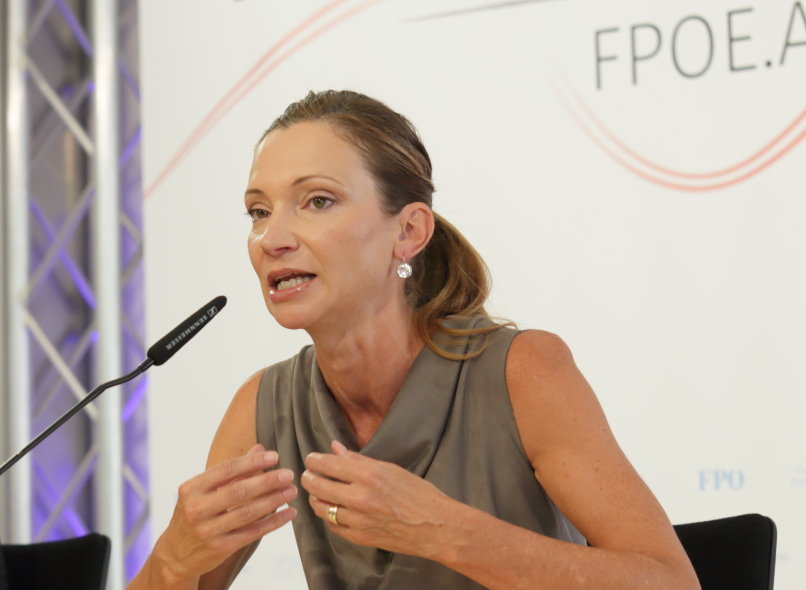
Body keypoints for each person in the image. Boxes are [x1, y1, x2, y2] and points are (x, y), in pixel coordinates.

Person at [129, 90, 700, 590]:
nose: (271, 238)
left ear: (408, 231)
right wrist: (174, 558)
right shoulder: (265, 407)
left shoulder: (523, 372)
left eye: (318, 201)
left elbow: (672, 582)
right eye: (258, 211)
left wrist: (446, 532)